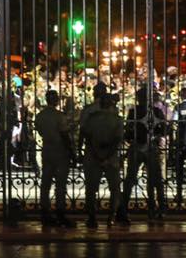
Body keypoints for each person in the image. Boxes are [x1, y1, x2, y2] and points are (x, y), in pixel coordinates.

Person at [123, 88, 168, 221]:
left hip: (137, 146)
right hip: (151, 146)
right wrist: (158, 136)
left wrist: (130, 138)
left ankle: (123, 209)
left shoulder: (133, 111)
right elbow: (165, 128)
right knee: (156, 179)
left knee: (130, 179)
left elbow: (128, 131)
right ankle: (159, 208)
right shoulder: (156, 111)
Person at [82, 93, 125, 228]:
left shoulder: (91, 118)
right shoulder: (117, 119)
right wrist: (107, 156)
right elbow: (118, 140)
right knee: (115, 188)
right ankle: (111, 216)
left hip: (93, 156)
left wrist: (95, 154)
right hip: (110, 157)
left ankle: (92, 217)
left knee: (91, 188)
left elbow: (86, 137)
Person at [34, 90, 75, 227]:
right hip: (60, 151)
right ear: (56, 100)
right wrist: (71, 151)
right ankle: (60, 212)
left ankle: (45, 212)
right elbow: (64, 134)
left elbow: (39, 131)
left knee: (45, 183)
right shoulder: (59, 116)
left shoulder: (40, 116)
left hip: (47, 150)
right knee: (60, 185)